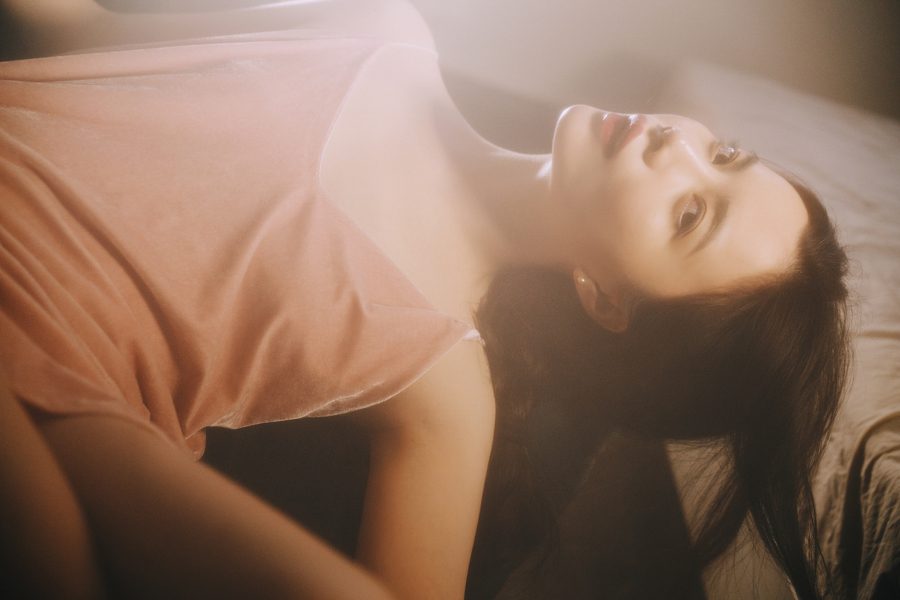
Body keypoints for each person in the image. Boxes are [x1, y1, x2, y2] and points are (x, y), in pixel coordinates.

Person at [0, 1, 850, 599]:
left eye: (690, 214)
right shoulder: (383, 28)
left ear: (609, 302)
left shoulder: (444, 389)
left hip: (57, 395)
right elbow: (81, 31)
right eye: (724, 152)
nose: (678, 146)